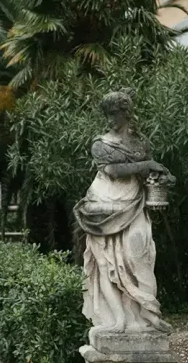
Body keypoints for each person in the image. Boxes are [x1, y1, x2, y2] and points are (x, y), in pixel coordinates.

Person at [74, 88, 174, 335]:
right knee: (105, 264)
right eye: (107, 114)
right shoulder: (100, 143)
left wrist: (163, 176)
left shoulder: (140, 143)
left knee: (139, 254)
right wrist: (148, 164)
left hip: (134, 203)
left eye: (115, 113)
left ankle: (149, 315)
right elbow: (113, 171)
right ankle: (116, 320)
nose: (110, 119)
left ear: (126, 113)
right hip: (103, 206)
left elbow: (146, 172)